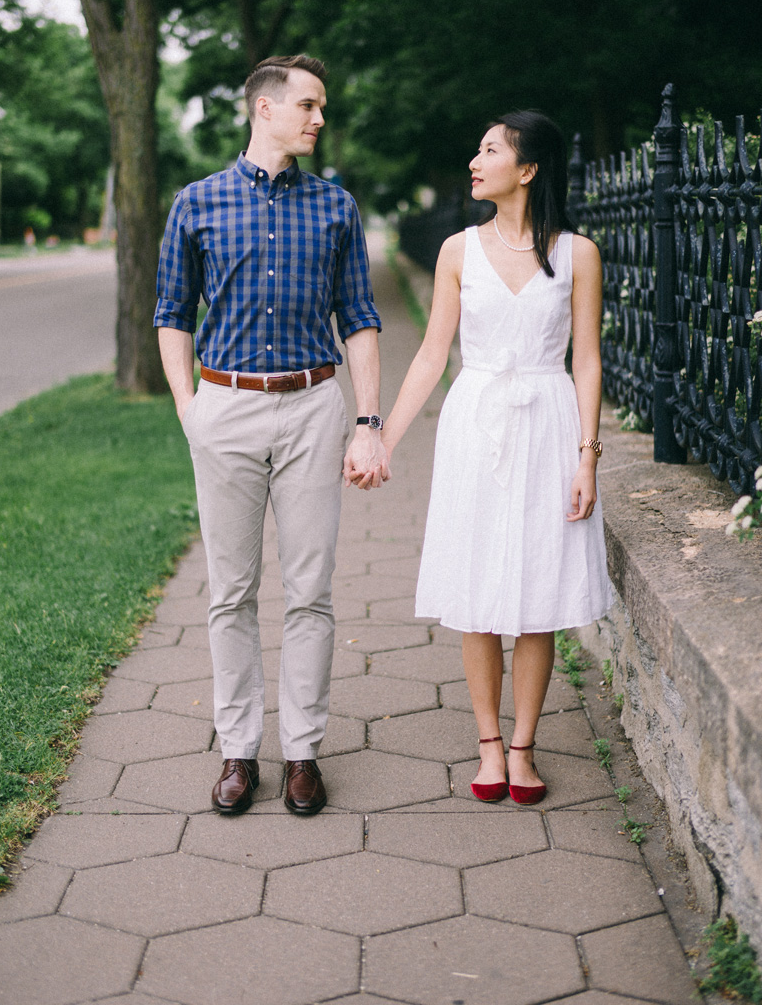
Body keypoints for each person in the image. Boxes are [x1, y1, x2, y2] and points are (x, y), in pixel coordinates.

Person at [154, 54, 389, 817]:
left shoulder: (335, 208)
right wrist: (191, 410)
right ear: (265, 109)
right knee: (231, 592)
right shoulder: (196, 203)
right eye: (309, 105)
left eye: (322, 106)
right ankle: (237, 751)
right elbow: (172, 314)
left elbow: (359, 318)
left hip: (314, 407)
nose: (320, 118)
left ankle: (304, 754)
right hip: (223, 408)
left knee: (310, 590)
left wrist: (367, 422)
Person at [381, 110, 609, 805]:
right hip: (474, 424)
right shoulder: (456, 250)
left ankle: (524, 747)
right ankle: (486, 745)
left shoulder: (579, 254)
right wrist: (382, 437)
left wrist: (588, 458)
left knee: (537, 594)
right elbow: (430, 354)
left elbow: (589, 360)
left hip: (548, 420)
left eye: (489, 151)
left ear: (528, 169)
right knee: (479, 592)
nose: (475, 163)